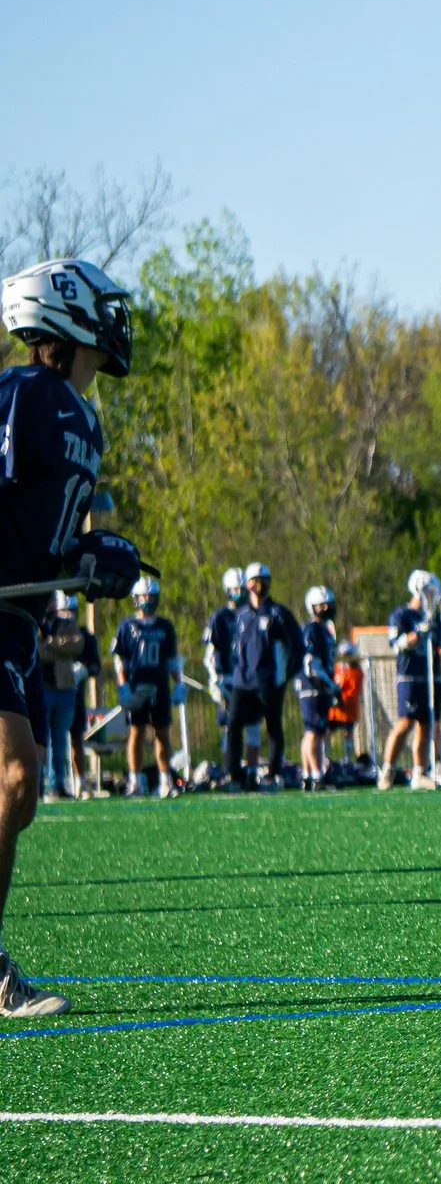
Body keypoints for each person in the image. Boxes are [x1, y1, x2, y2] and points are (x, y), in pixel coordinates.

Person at [0, 257, 147, 1018]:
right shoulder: (22, 395)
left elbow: (43, 538)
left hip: (17, 623)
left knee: (15, 796)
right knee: (18, 778)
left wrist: (91, 561)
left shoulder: (85, 419)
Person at [224, 562, 300, 791]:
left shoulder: (279, 614)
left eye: (262, 580)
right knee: (233, 724)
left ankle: (273, 775)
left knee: (273, 726)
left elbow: (296, 646)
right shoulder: (241, 615)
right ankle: (234, 776)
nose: (258, 585)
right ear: (247, 584)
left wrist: (286, 676)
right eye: (253, 580)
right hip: (242, 681)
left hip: (269, 681)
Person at [379, 569, 441, 790]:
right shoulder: (401, 615)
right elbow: (397, 644)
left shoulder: (434, 618)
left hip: (430, 676)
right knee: (405, 722)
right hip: (410, 676)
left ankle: (419, 771)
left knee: (426, 724)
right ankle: (388, 769)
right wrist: (420, 631)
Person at [114, 575, 180, 798]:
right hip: (136, 686)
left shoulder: (165, 626)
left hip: (159, 686)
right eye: (144, 596)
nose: (148, 600)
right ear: (136, 598)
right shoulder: (127, 626)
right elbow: (120, 660)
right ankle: (135, 781)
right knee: (136, 732)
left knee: (162, 732)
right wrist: (123, 686)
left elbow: (172, 659)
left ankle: (165, 780)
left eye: (152, 596)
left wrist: (178, 682)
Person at [34, 593, 97, 800]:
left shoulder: (66, 624)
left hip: (63, 690)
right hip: (41, 690)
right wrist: (57, 647)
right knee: (39, 741)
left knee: (59, 741)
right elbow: (37, 650)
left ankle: (57, 785)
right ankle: (37, 786)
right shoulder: (33, 623)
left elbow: (76, 644)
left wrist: (50, 643)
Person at [296, 586, 341, 785]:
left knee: (313, 731)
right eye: (321, 605)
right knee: (314, 731)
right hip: (313, 686)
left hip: (319, 686)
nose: (326, 608)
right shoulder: (311, 629)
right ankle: (316, 774)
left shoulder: (324, 630)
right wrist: (330, 684)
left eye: (328, 604)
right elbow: (312, 664)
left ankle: (307, 774)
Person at [202, 566, 244, 769]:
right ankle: (230, 767)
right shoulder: (219, 617)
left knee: (249, 724)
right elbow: (210, 652)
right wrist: (215, 678)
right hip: (228, 677)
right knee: (230, 724)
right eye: (236, 589)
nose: (241, 593)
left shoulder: (251, 614)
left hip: (248, 678)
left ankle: (245, 766)